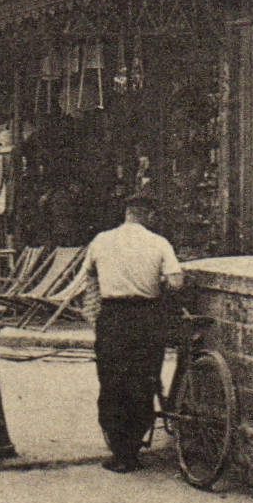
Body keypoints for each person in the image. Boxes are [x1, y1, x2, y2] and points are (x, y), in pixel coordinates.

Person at [86, 192, 183, 473]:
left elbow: (89, 274)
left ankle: (119, 450)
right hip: (146, 318)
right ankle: (132, 449)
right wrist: (157, 280)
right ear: (149, 216)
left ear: (127, 213)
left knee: (111, 382)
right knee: (143, 381)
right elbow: (176, 282)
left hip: (112, 317)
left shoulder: (101, 240)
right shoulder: (159, 242)